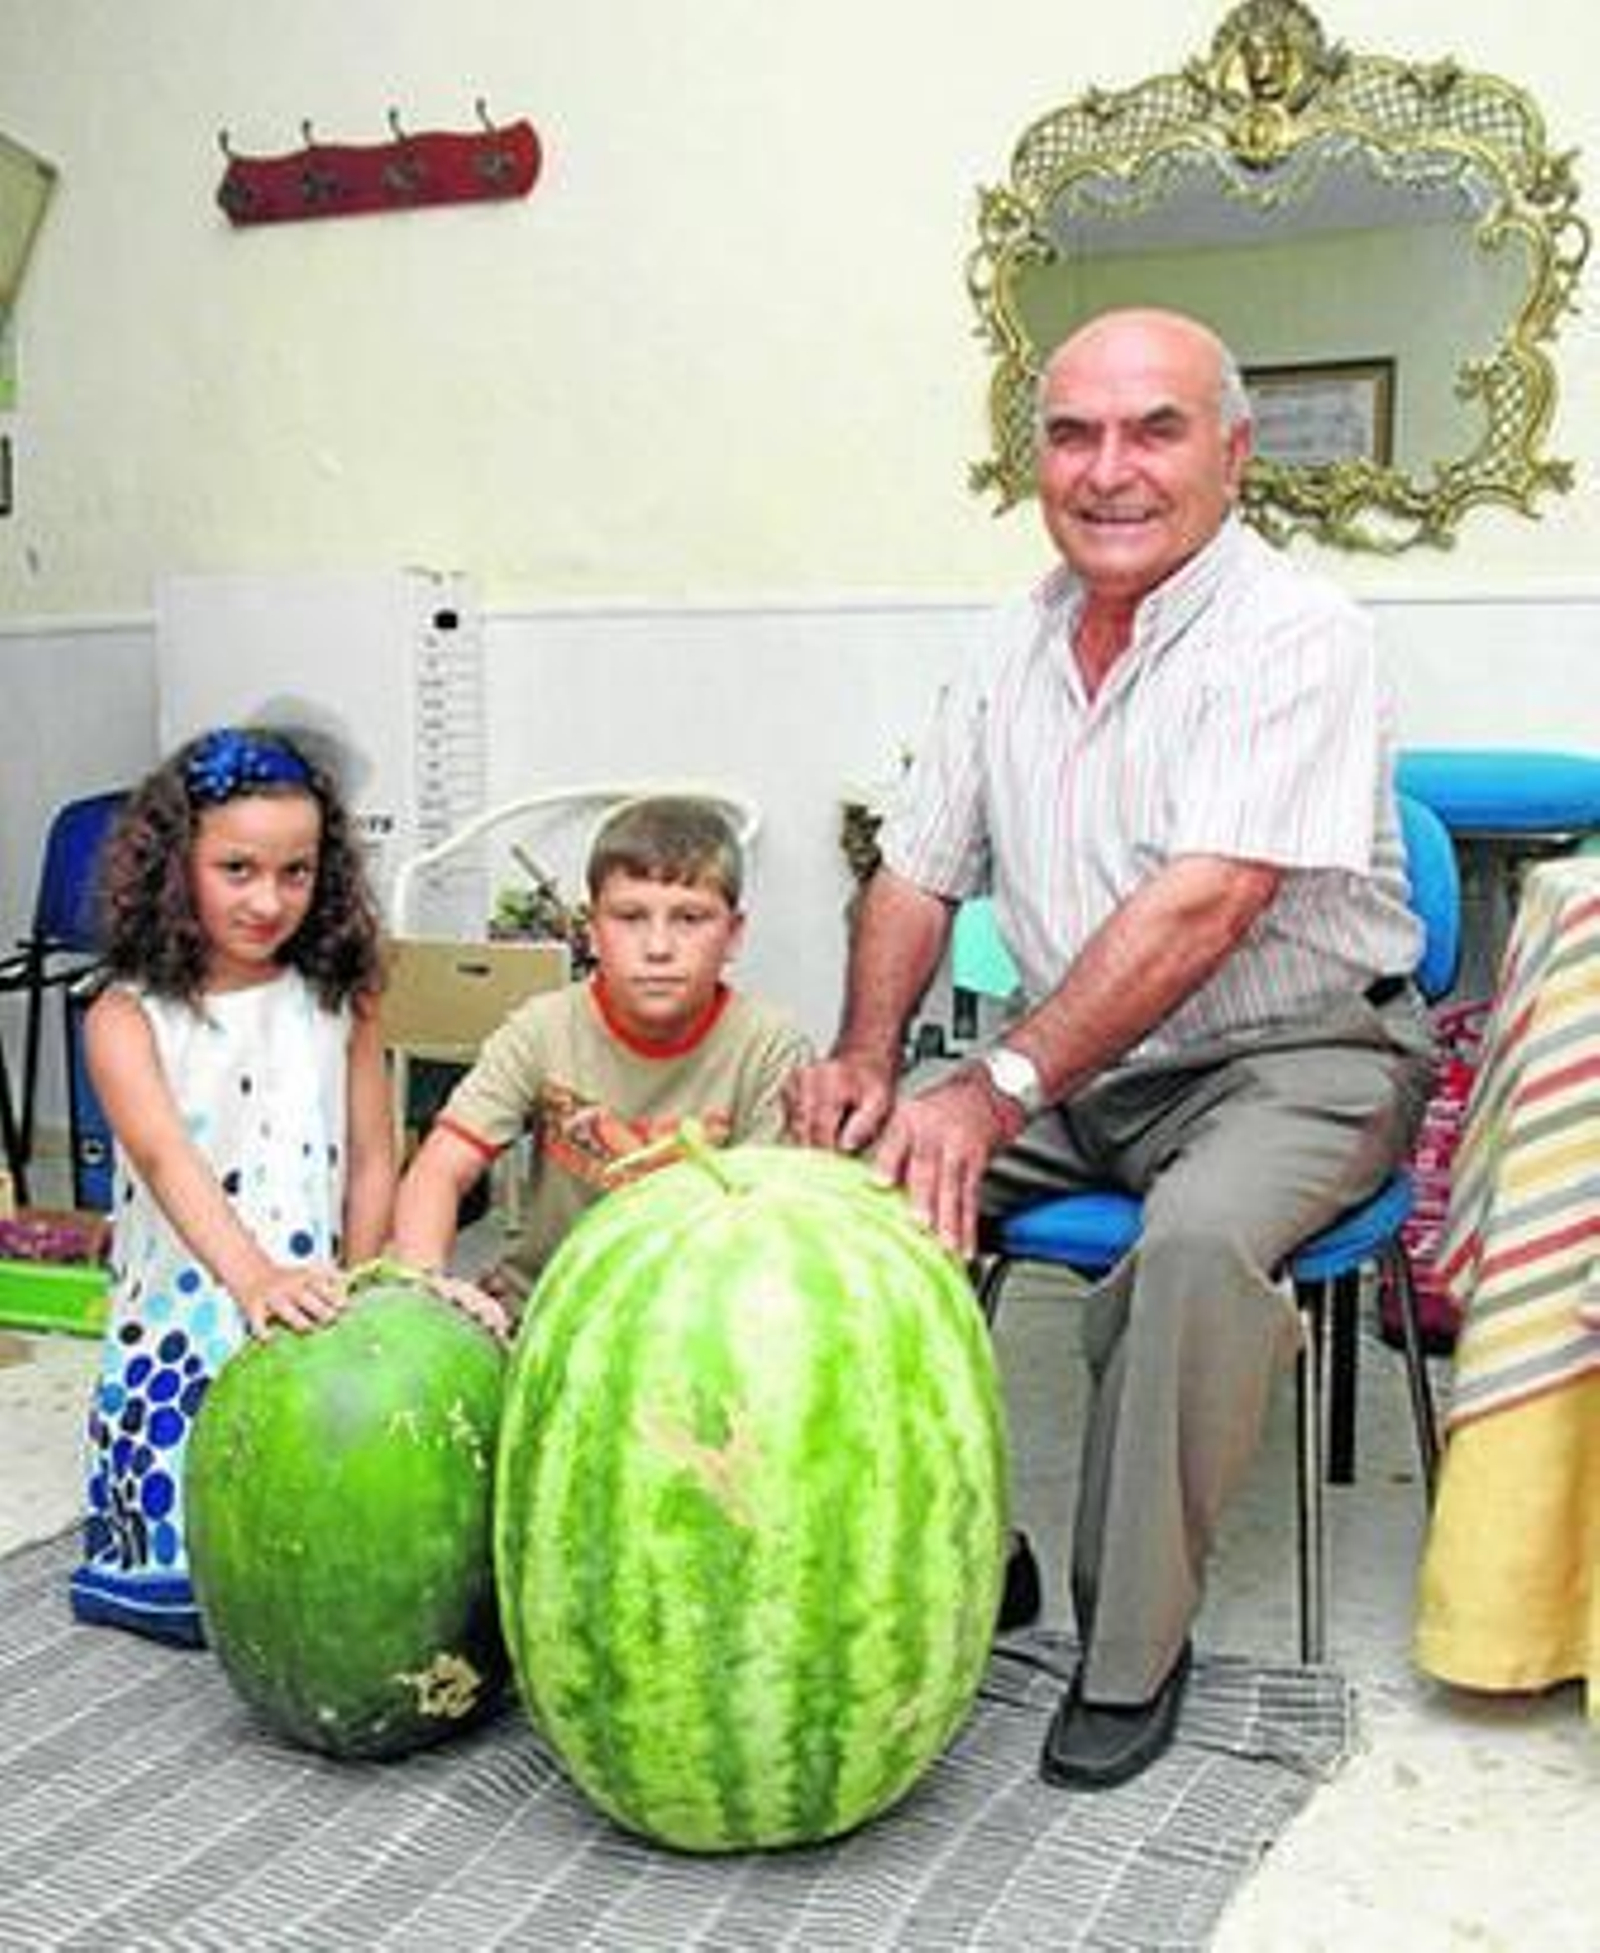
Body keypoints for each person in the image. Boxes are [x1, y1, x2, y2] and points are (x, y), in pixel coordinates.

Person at [788, 307, 1434, 1790]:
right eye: (1073, 434)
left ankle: (1132, 1650)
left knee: (1192, 1249)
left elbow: (1211, 903)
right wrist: (868, 1059)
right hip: (1083, 1060)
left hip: (1300, 1052)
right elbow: (914, 872)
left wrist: (996, 1085)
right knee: (828, 1195)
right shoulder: (1005, 641)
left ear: (1235, 455)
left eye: (1155, 430)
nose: (1108, 469)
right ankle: (955, 1547)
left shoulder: (1301, 634)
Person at [70, 726, 395, 1646]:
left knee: (322, 1545)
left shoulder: (340, 996)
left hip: (314, 1304)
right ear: (176, 865)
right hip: (187, 1313)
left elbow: (375, 1155)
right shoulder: (125, 1016)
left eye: (297, 872)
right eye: (238, 869)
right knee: (187, 1576)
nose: (269, 899)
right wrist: (253, 1279)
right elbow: (167, 1160)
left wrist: (366, 1285)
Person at [392, 795, 810, 1309]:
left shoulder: (770, 1049)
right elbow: (439, 1169)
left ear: (733, 935)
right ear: (591, 931)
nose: (658, 948)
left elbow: (772, 1229)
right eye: (630, 917)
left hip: (697, 1315)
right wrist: (424, 1288)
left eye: (689, 918)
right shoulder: (542, 1029)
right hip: (544, 1305)